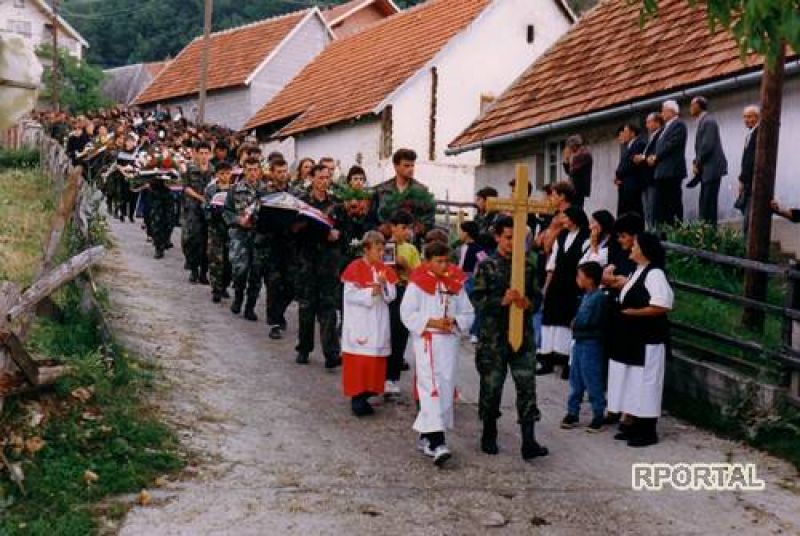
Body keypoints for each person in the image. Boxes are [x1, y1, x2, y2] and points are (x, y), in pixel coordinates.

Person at [470, 216, 549, 460]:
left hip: (522, 336)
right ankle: (489, 433)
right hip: (494, 338)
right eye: (507, 237)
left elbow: (537, 297)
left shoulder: (528, 265)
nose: (512, 243)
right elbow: (477, 299)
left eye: (517, 238)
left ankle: (529, 440)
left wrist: (528, 303)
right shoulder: (486, 265)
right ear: (497, 237)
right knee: (492, 387)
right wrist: (500, 301)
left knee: (527, 386)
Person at [400, 241, 474, 466]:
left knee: (445, 387)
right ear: (427, 261)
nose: (444, 265)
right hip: (428, 342)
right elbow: (407, 314)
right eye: (438, 261)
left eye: (446, 261)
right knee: (430, 388)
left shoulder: (455, 283)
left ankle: (426, 436)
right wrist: (432, 322)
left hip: (449, 343)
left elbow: (468, 312)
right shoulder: (417, 283)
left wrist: (455, 321)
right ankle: (438, 441)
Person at [607, 233, 673, 447]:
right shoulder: (637, 271)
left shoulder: (655, 274)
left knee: (646, 382)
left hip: (648, 340)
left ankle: (647, 430)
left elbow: (661, 305)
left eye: (634, 245)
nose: (631, 248)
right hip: (631, 338)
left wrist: (633, 313)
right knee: (632, 381)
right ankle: (633, 422)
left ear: (644, 250)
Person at [340, 231, 399, 417]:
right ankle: (357, 398)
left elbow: (392, 296)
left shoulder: (385, 269)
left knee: (375, 361)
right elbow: (349, 296)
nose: (381, 253)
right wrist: (371, 293)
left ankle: (368, 394)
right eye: (377, 249)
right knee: (359, 362)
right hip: (360, 321)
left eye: (383, 249)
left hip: (378, 321)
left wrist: (383, 285)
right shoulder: (354, 267)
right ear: (366, 249)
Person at [295, 164, 342, 369]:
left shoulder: (336, 204)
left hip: (329, 261)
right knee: (307, 306)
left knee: (328, 307)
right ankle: (304, 348)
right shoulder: (302, 203)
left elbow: (344, 229)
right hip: (307, 259)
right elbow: (295, 229)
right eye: (320, 177)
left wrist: (338, 235)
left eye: (327, 177)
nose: (324, 181)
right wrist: (321, 232)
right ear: (312, 178)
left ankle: (331, 352)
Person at [538, 206, 590, 379]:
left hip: (572, 283)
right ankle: (547, 358)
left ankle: (566, 360)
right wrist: (546, 287)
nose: (563, 220)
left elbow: (585, 264)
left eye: (565, 217)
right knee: (550, 318)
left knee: (566, 320)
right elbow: (552, 262)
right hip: (557, 282)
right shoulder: (561, 236)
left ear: (574, 219)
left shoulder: (585, 238)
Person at [561, 261, 608, 432]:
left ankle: (598, 415)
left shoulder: (597, 297)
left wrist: (575, 323)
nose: (577, 280)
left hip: (591, 342)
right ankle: (573, 412)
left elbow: (586, 319)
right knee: (576, 379)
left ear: (589, 279)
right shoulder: (587, 296)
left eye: (580, 276)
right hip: (581, 341)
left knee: (592, 379)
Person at [224, 158, 267, 320]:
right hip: (240, 235)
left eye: (255, 169)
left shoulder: (267, 191)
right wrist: (238, 220)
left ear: (260, 171)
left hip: (259, 236)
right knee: (240, 270)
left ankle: (250, 306)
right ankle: (238, 297)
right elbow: (226, 211)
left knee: (256, 273)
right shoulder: (235, 189)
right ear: (244, 170)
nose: (253, 173)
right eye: (249, 169)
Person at [385, 211, 422, 395]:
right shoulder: (385, 246)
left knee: (400, 334)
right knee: (386, 334)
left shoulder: (411, 249)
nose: (406, 232)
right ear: (393, 228)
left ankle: (393, 376)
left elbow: (418, 275)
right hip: (387, 294)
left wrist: (405, 265)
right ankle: (381, 375)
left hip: (405, 292)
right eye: (402, 228)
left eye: (408, 228)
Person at [263, 157, 295, 339]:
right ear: (272, 173)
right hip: (271, 243)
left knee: (292, 285)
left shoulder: (295, 192)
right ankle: (274, 322)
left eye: (284, 172)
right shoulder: (265, 192)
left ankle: (279, 311)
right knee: (273, 284)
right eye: (279, 172)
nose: (282, 175)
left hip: (291, 243)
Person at [373, 149, 435, 236]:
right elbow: (371, 219)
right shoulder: (381, 190)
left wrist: (415, 229)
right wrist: (382, 229)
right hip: (385, 242)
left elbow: (429, 220)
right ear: (396, 166)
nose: (410, 169)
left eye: (412, 166)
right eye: (406, 166)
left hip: (412, 242)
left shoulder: (421, 191)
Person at [688, 96, 728, 227]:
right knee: (705, 202)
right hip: (707, 169)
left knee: (708, 203)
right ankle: (706, 231)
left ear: (699, 106)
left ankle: (709, 233)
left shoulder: (708, 121)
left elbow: (707, 145)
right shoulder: (703, 121)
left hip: (712, 168)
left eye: (692, 105)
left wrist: (697, 162)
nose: (690, 108)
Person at [648, 100, 688, 226]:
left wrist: (656, 157)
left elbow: (671, 144)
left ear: (671, 111)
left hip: (672, 171)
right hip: (662, 172)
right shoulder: (665, 128)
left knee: (672, 203)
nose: (662, 113)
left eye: (663, 110)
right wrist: (651, 157)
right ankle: (662, 230)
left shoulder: (679, 125)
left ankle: (674, 228)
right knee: (660, 205)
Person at [182, 141, 215, 284]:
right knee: (193, 239)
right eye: (201, 153)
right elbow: (185, 187)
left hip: (209, 210)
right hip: (193, 208)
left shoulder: (214, 170)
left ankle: (204, 272)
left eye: (206, 153)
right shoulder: (190, 168)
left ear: (210, 154)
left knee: (208, 241)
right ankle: (194, 269)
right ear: (196, 154)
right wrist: (200, 197)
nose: (203, 156)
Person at [205, 162, 234, 303]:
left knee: (229, 260)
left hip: (230, 229)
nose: (225, 176)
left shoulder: (235, 190)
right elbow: (205, 207)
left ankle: (224, 285)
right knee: (215, 259)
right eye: (222, 173)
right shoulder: (211, 190)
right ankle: (216, 288)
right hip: (215, 228)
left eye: (228, 173)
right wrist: (212, 211)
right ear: (217, 175)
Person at [457, 221, 488, 343]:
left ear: (467, 233)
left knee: (474, 305)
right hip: (460, 278)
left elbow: (485, 262)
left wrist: (476, 274)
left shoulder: (477, 248)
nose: (460, 233)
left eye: (462, 231)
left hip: (470, 279)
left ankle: (475, 332)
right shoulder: (461, 247)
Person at [633, 113, 664, 230]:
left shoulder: (660, 136)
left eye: (649, 122)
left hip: (653, 178)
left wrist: (643, 158)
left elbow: (656, 154)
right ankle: (650, 230)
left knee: (653, 208)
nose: (647, 125)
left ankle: (654, 232)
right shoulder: (650, 138)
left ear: (657, 123)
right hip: (645, 179)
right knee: (647, 210)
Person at [615, 123, 647, 217]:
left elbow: (631, 163)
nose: (623, 134)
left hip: (633, 183)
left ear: (632, 133)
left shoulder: (639, 143)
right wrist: (617, 176)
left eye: (625, 132)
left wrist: (619, 174)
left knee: (634, 211)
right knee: (625, 212)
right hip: (625, 184)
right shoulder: (628, 146)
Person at [738, 105, 760, 236]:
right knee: (747, 213)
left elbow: (751, 161)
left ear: (757, 117)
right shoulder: (750, 135)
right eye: (744, 117)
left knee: (750, 217)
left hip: (753, 182)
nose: (746, 120)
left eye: (749, 116)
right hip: (747, 182)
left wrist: (742, 179)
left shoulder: (759, 133)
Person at [562, 135, 593, 207]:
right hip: (575, 189)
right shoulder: (578, 155)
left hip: (577, 189)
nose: (569, 149)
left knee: (576, 210)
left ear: (574, 146)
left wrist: (567, 158)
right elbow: (569, 172)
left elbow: (572, 172)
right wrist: (566, 159)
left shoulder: (583, 155)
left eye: (569, 147)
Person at [474, 187, 499, 252]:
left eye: (479, 199)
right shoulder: (477, 217)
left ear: (487, 201)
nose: (476, 203)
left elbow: (489, 237)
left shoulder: (497, 217)